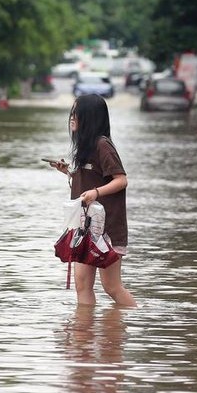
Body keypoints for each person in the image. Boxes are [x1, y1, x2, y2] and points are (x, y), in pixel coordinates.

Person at [49, 94, 137, 307]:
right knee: (82, 285)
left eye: (76, 113)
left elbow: (121, 180)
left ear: (89, 117)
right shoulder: (84, 148)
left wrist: (96, 193)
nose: (72, 118)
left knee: (111, 287)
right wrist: (69, 172)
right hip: (84, 229)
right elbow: (89, 181)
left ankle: (136, 317)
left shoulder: (102, 145)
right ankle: (84, 334)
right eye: (72, 113)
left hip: (105, 230)